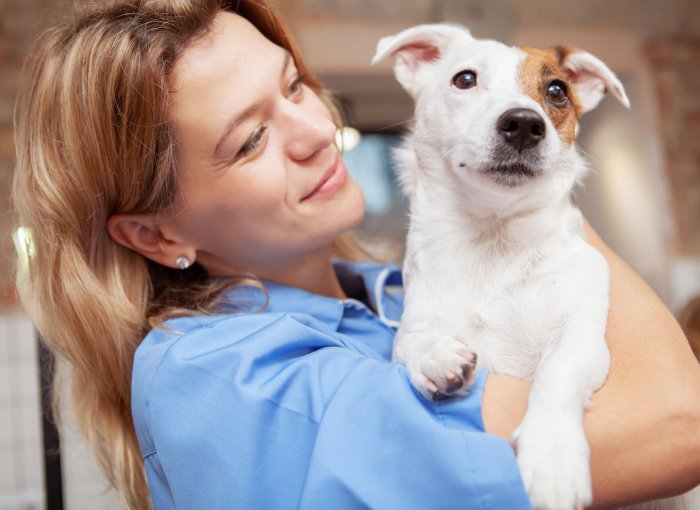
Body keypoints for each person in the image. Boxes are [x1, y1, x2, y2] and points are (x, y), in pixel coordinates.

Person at [11, 0, 700, 508]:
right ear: (157, 236)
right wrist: (550, 205)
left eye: (293, 85)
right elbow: (678, 423)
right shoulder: (230, 375)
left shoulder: (388, 292)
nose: (316, 128)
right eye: (250, 140)